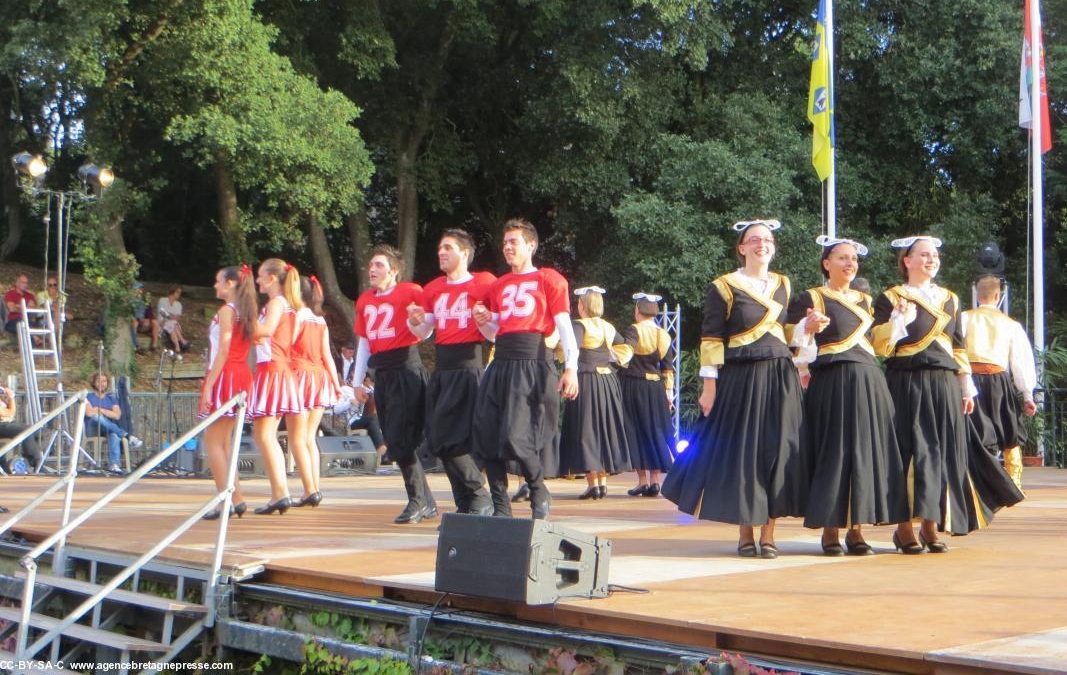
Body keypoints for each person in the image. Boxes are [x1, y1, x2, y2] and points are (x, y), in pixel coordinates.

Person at [661, 219, 807, 559]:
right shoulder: (724, 287)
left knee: (778, 451)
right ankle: (745, 531)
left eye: (768, 240)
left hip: (780, 377)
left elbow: (787, 337)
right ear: (741, 248)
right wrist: (709, 386)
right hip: (741, 377)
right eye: (754, 240)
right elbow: (711, 339)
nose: (762, 245)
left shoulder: (784, 285)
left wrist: (806, 329)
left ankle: (769, 533)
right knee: (746, 454)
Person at [872, 236, 1024, 553]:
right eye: (924, 255)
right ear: (907, 261)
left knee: (940, 453)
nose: (932, 260)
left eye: (935, 255)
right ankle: (904, 528)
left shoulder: (950, 299)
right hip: (905, 380)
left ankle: (930, 525)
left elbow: (957, 346)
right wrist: (898, 321)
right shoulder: (890, 297)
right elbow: (879, 345)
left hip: (943, 383)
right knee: (907, 451)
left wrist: (965, 386)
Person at [789, 236, 909, 556]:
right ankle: (831, 529)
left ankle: (856, 529)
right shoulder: (813, 296)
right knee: (835, 451)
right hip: (833, 379)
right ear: (827, 263)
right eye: (842, 258)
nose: (850, 264)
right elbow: (796, 345)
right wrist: (809, 327)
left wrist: (897, 319)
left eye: (853, 259)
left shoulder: (866, 301)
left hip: (869, 379)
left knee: (864, 453)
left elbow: (881, 345)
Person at [472, 218, 580, 520]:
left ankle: (537, 488)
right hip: (501, 360)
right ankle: (501, 506)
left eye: (514, 242)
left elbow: (563, 326)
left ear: (531, 245)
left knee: (517, 433)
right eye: (505, 242)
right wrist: (484, 322)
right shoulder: (498, 285)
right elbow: (497, 332)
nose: (508, 247)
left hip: (532, 360)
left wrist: (571, 368)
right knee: (487, 433)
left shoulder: (549, 279)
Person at [408, 229, 494, 515]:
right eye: (439, 249)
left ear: (465, 253)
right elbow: (424, 331)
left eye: (448, 248)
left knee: (457, 439)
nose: (441, 253)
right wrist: (415, 321)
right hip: (443, 368)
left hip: (469, 365)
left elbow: (495, 330)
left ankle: (477, 497)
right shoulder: (433, 288)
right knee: (438, 438)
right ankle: (468, 499)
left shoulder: (484, 283)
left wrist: (487, 320)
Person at [352, 244, 438, 524]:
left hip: (406, 368)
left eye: (379, 265)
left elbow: (426, 329)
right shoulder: (365, 300)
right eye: (371, 265)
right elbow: (365, 341)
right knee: (392, 436)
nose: (372, 270)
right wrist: (357, 381)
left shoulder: (411, 291)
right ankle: (427, 502)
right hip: (383, 373)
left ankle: (416, 500)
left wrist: (418, 323)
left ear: (394, 270)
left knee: (404, 438)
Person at [962, 275, 1038, 490]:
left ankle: (974, 482)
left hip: (970, 381)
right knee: (1008, 428)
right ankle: (1013, 483)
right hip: (999, 381)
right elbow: (1021, 361)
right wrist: (1028, 395)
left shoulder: (965, 318)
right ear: (998, 296)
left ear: (977, 295)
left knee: (973, 429)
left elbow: (955, 351)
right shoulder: (1011, 325)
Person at [557, 286, 633, 499]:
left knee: (587, 429)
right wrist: (611, 358)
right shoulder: (607, 326)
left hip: (587, 380)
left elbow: (573, 348)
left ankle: (592, 484)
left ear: (582, 305)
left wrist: (558, 353)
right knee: (604, 428)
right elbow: (626, 348)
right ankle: (602, 482)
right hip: (608, 380)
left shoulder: (580, 324)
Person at [199, 264, 257, 520]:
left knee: (213, 440)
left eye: (219, 281)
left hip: (226, 374)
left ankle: (226, 500)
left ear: (231, 283)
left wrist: (210, 384)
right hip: (240, 372)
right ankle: (236, 497)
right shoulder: (245, 311)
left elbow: (222, 350)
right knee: (224, 441)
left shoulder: (227, 311)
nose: (215, 286)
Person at [250, 259, 301, 515]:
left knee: (264, 435)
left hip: (272, 369)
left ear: (271, 278)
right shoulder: (289, 306)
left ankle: (280, 492)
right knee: (266, 435)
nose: (257, 280)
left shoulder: (275, 304)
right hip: (278, 368)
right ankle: (279, 492)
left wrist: (245, 322)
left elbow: (266, 331)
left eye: (260, 276)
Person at [289, 276, 342, 508]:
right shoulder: (320, 321)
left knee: (297, 438)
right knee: (310, 437)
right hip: (318, 377)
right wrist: (336, 383)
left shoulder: (295, 317)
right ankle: (315, 487)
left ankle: (309, 489)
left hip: (299, 375)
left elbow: (286, 346)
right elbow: (326, 355)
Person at [619, 293, 677, 497]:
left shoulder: (633, 330)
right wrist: (669, 393)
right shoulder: (664, 334)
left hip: (634, 386)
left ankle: (642, 480)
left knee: (635, 431)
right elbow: (668, 368)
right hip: (656, 389)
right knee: (656, 431)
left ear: (637, 310)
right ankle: (655, 481)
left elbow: (626, 353)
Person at [85, 372, 144, 473]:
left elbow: (117, 415)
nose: (101, 383)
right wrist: (106, 412)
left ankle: (114, 464)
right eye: (99, 380)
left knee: (114, 434)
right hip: (92, 428)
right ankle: (128, 436)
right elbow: (89, 413)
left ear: (107, 383)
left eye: (104, 381)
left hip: (107, 428)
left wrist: (100, 409)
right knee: (97, 417)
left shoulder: (111, 399)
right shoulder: (88, 396)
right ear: (94, 383)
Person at [0, 383, 43, 475]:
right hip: (1, 425)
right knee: (26, 430)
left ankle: (33, 458)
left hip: (7, 423)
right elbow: (7, 413)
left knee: (37, 430)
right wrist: (11, 398)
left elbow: (11, 413)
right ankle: (34, 461)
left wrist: (10, 399)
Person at [157, 286, 190, 353]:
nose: (179, 294)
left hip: (172, 325)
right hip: (162, 322)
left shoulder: (179, 305)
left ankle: (177, 347)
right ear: (172, 292)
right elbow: (162, 313)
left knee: (172, 326)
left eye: (180, 293)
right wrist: (171, 316)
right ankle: (182, 340)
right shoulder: (162, 300)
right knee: (172, 324)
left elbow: (177, 317)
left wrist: (169, 315)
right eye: (177, 292)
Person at [131, 282, 159, 351]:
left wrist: (148, 319)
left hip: (144, 321)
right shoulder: (131, 300)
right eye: (139, 289)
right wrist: (138, 318)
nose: (141, 290)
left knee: (155, 322)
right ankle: (136, 345)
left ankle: (154, 345)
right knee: (134, 323)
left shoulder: (145, 299)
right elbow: (130, 313)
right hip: (136, 321)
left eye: (141, 289)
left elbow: (149, 312)